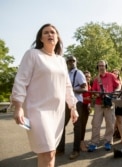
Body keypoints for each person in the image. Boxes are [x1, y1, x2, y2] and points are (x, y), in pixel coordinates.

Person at [11, 23, 78, 167]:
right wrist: (18, 107)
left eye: (53, 32)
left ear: (58, 37)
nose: (50, 35)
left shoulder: (61, 60)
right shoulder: (32, 55)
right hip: (37, 110)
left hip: (57, 112)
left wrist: (73, 107)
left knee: (50, 152)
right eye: (46, 32)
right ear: (41, 38)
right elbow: (21, 81)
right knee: (47, 152)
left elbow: (67, 85)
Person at [57, 55, 87, 160]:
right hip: (66, 102)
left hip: (77, 102)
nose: (71, 62)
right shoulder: (66, 73)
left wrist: (71, 91)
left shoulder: (78, 73)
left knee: (77, 127)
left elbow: (85, 88)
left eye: (73, 60)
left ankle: (76, 150)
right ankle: (60, 149)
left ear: (76, 61)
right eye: (69, 61)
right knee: (61, 125)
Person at [87, 60, 121, 152]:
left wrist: (114, 94)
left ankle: (108, 141)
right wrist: (96, 94)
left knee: (110, 123)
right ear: (97, 67)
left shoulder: (111, 76)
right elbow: (93, 91)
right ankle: (94, 143)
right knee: (95, 123)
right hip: (98, 103)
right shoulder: (95, 79)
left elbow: (119, 86)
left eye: (103, 65)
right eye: (99, 66)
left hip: (109, 103)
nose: (101, 67)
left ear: (106, 66)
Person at [80, 70, 92, 152]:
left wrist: (89, 104)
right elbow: (78, 97)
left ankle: (82, 143)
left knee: (83, 126)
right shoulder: (82, 86)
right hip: (81, 106)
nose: (87, 78)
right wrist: (86, 99)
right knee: (80, 126)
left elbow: (90, 97)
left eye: (88, 76)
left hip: (86, 107)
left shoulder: (89, 86)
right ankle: (81, 144)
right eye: (85, 76)